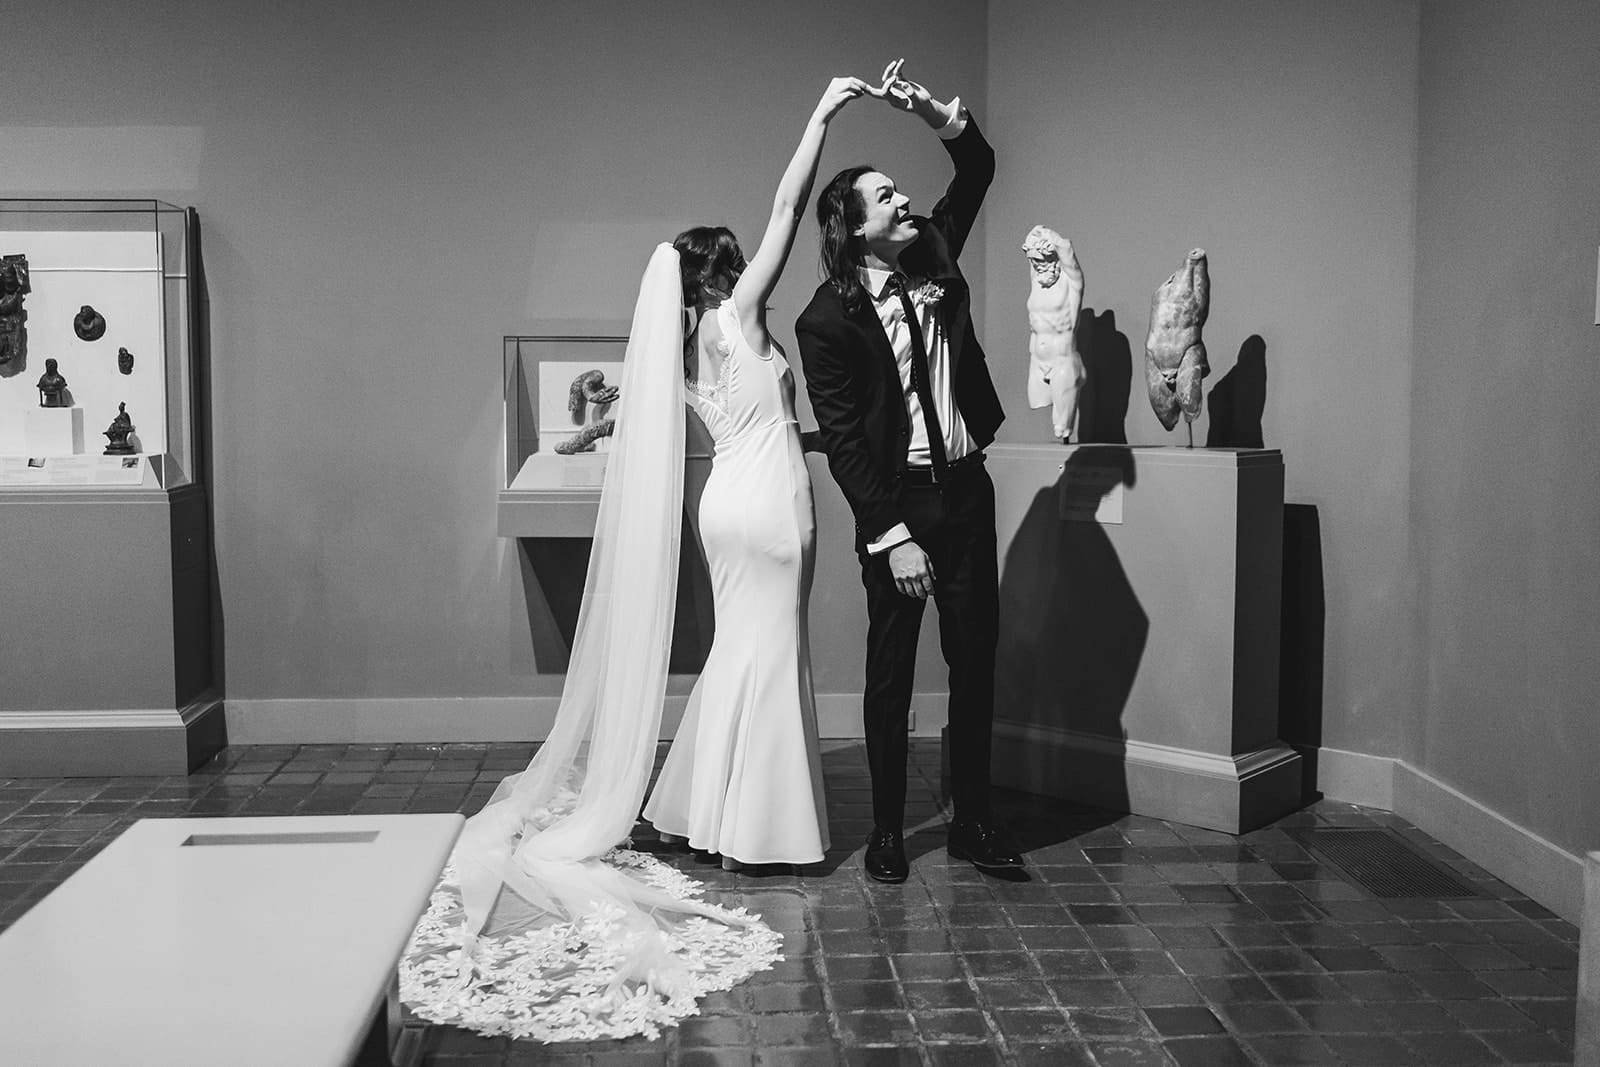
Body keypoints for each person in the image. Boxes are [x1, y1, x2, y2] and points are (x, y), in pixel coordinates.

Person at [401, 75, 879, 1044]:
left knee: (742, 653)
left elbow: (655, 417)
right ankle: (760, 828)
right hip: (773, 508)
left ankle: (700, 809)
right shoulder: (741, 317)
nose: (757, 261)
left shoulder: (682, 347)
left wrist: (588, 438)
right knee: (769, 654)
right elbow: (792, 205)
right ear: (721, 274)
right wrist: (824, 116)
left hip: (726, 507)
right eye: (740, 261)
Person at [796, 63, 1025, 884]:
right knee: (891, 673)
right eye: (886, 195)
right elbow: (848, 442)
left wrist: (932, 110)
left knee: (976, 661)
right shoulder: (823, 321)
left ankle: (974, 823)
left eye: (901, 191)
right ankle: (889, 833)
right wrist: (889, 535)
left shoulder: (931, 247)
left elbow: (980, 168)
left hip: (967, 489)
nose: (904, 201)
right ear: (856, 229)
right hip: (897, 505)